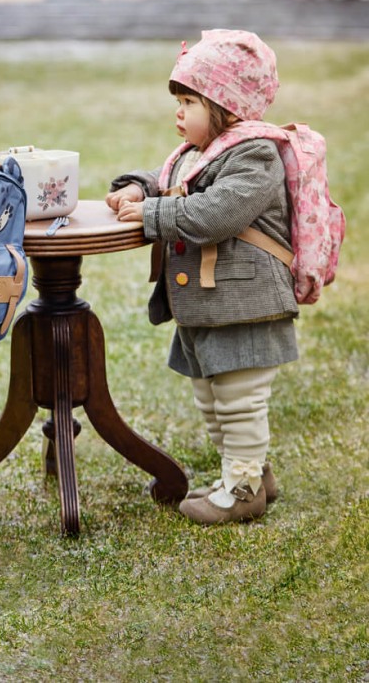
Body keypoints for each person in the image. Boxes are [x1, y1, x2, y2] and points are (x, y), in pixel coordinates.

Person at [106, 29, 298, 525]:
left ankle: (245, 490)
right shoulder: (199, 152)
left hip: (244, 305)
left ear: (226, 106)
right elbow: (169, 181)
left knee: (238, 400)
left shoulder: (255, 155)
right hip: (207, 308)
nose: (179, 112)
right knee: (213, 399)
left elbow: (216, 213)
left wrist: (152, 215)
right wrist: (136, 187)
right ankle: (250, 471)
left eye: (189, 101)